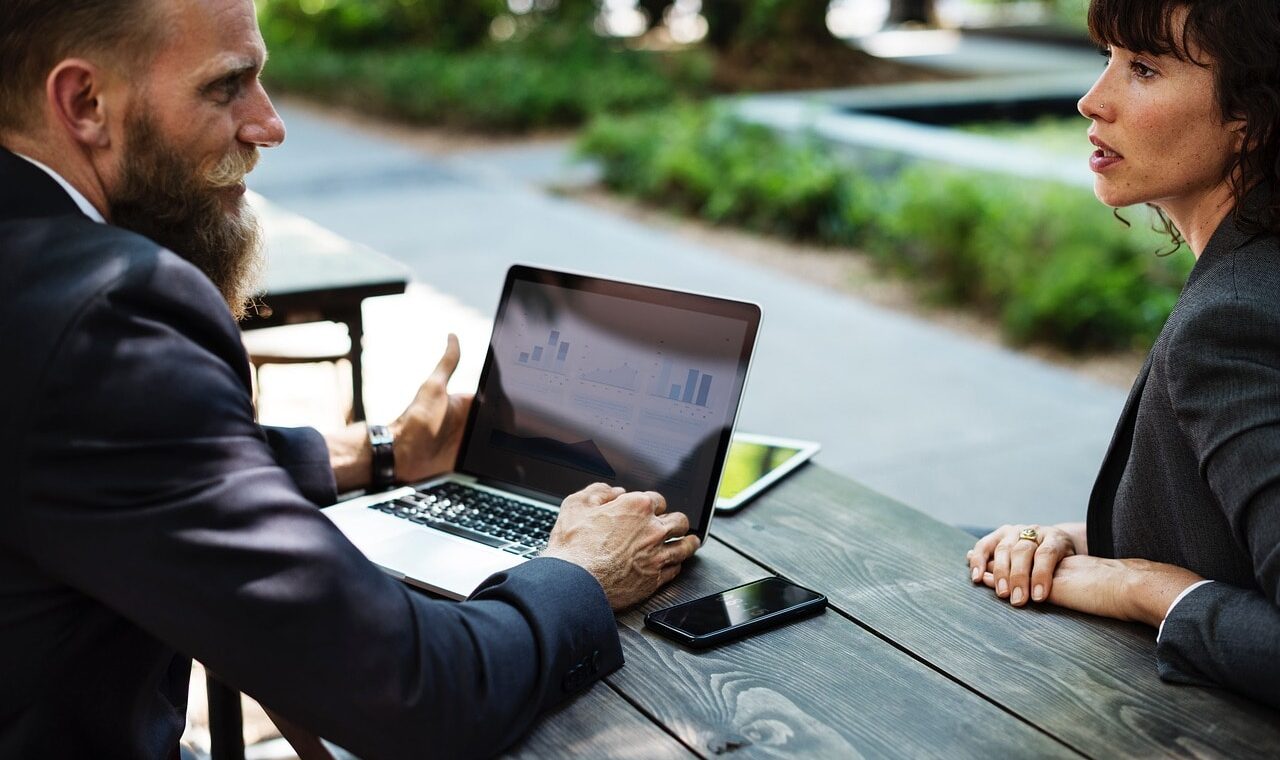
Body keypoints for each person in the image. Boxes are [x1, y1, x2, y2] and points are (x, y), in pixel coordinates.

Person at [0, 1, 700, 757]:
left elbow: (103, 469)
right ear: (83, 103)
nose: (268, 124)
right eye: (227, 86)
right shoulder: (109, 314)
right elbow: (418, 691)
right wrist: (578, 571)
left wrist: (378, 451)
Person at [966, 0, 1280, 710]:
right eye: (1105, 59)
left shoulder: (1231, 324)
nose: (1092, 99)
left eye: (1142, 68)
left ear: (1252, 117)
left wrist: (1141, 589)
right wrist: (1081, 542)